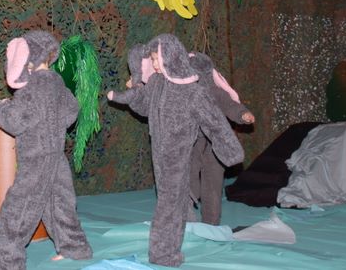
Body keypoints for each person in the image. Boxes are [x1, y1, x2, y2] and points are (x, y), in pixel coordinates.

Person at [108, 34, 244, 267]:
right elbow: (144, 107)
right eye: (152, 59)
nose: (154, 64)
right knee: (176, 198)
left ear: (169, 57)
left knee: (168, 202)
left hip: (178, 153)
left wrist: (230, 151)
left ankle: (162, 253)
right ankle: (184, 231)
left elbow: (214, 122)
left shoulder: (193, 92)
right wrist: (130, 97)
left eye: (156, 59)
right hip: (157, 151)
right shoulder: (157, 84)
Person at [0, 30, 92, 270]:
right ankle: (74, 248)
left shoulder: (31, 87)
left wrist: (4, 109)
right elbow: (71, 111)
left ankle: (6, 260)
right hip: (55, 155)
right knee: (59, 202)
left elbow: (15, 121)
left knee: (20, 206)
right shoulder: (57, 82)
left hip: (35, 155)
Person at [188, 51, 255, 225]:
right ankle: (185, 216)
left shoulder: (214, 92)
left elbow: (230, 105)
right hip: (192, 142)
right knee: (188, 178)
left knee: (213, 182)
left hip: (216, 142)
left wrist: (242, 114)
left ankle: (211, 223)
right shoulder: (183, 93)